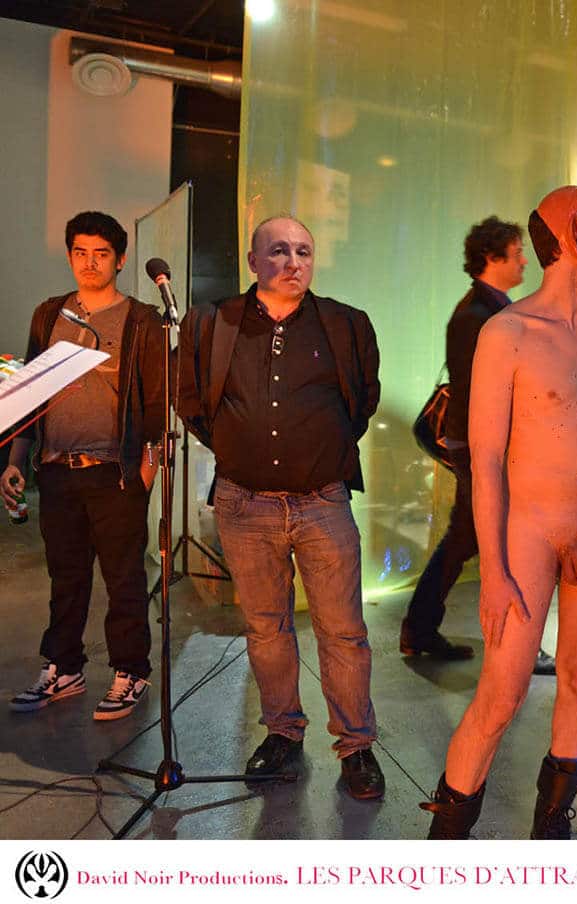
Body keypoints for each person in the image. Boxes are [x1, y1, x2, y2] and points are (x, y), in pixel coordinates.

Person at [421, 185, 577, 840]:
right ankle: (446, 843)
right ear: (570, 234)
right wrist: (494, 571)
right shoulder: (506, 333)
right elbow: (484, 461)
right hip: (530, 530)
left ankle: (552, 826)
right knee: (503, 692)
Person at [176, 215, 384, 799]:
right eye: (279, 251)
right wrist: (237, 446)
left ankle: (356, 746)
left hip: (323, 501)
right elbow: (191, 401)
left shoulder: (346, 324)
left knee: (343, 631)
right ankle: (283, 734)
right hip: (244, 504)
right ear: (253, 261)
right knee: (266, 628)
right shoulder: (212, 323)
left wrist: (314, 451)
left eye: (304, 251)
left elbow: (361, 402)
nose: (294, 262)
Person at [5, 211, 164, 721]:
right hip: (56, 470)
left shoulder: (141, 320)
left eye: (101, 254)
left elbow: (158, 405)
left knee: (124, 579)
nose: (89, 263)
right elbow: (30, 395)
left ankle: (130, 671)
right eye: (80, 252)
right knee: (65, 577)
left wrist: (146, 473)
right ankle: (64, 668)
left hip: (114, 471)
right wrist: (16, 460)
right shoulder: (49, 314)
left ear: (120, 259)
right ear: (70, 255)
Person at [401, 217, 555, 674]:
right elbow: (481, 395)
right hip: (485, 452)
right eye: (517, 252)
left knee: (467, 539)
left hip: (484, 450)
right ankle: (514, 643)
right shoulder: (477, 317)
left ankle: (420, 629)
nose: (524, 260)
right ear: (492, 257)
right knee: (501, 544)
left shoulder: (490, 311)